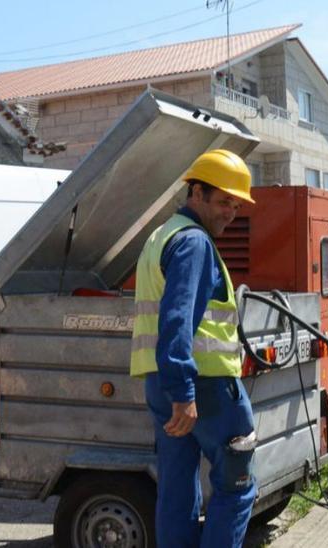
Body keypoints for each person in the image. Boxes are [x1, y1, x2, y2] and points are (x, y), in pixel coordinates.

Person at [130, 148, 258, 548]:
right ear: (196, 193)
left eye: (236, 206)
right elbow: (177, 319)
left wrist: (176, 389)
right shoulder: (193, 243)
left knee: (177, 489)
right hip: (205, 387)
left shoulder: (160, 236)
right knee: (237, 486)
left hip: (161, 384)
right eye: (223, 202)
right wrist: (185, 392)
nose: (230, 213)